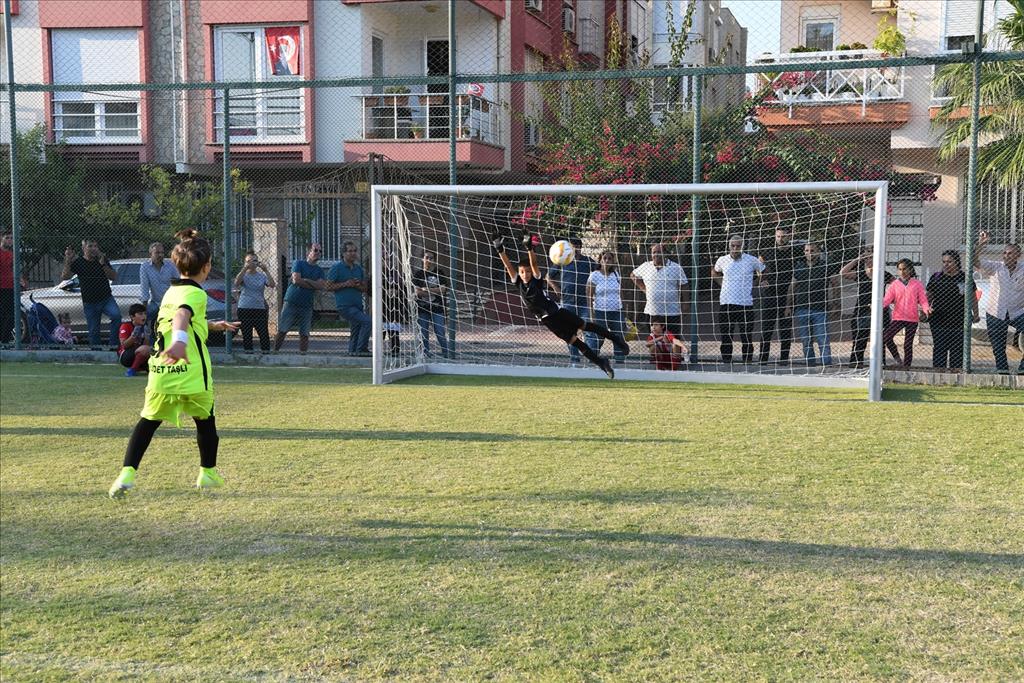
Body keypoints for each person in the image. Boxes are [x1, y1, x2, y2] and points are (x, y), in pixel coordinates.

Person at [108, 229, 239, 499]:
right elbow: (181, 317)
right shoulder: (197, 294)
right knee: (205, 421)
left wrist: (212, 325)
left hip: (161, 371)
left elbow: (181, 318)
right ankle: (208, 473)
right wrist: (180, 342)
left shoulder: (170, 292)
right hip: (190, 372)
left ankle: (126, 474)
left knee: (147, 422)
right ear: (207, 267)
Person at [493, 230, 627, 379]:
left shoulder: (536, 281)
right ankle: (602, 363)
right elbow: (508, 266)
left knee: (585, 326)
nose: (525, 274)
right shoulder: (518, 282)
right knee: (575, 342)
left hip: (557, 312)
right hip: (548, 321)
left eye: (528, 272)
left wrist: (529, 248)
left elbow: (534, 263)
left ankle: (616, 339)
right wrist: (500, 249)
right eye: (523, 272)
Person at [974, 231, 1024, 374]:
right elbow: (974, 261)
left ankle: (1022, 368)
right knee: (998, 346)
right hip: (995, 312)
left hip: (1018, 312)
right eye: (1004, 253)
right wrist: (981, 244)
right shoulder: (995, 267)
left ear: (1018, 255)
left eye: (1010, 253)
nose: (1006, 256)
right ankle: (1002, 371)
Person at [712, 234, 765, 364]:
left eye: (738, 246)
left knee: (746, 336)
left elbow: (764, 271)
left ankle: (747, 362)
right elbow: (714, 272)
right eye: (733, 245)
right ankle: (726, 362)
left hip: (745, 304)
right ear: (729, 246)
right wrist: (721, 282)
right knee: (726, 336)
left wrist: (756, 283)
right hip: (726, 303)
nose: (735, 248)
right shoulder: (722, 260)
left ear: (743, 247)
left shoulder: (751, 260)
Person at [839, 248, 895, 369]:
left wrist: (890, 299)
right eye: (867, 258)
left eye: (872, 257)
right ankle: (856, 363)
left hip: (880, 311)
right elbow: (843, 272)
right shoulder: (860, 273)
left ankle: (879, 364)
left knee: (880, 340)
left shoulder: (883, 274)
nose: (869, 260)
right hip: (862, 310)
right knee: (860, 339)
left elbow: (897, 286)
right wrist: (857, 259)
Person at [547, 237, 597, 365]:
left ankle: (592, 359)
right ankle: (575, 360)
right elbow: (548, 276)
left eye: (577, 247)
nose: (575, 249)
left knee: (589, 332)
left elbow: (600, 272)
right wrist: (556, 288)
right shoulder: (563, 260)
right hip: (568, 302)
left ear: (580, 248)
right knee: (570, 333)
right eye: (573, 247)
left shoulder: (588, 261)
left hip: (584, 302)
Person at [61, 238, 118, 348]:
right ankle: (96, 353)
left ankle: (113, 346)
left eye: (95, 246)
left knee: (116, 316)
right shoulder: (78, 262)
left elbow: (114, 277)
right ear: (83, 248)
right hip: (90, 302)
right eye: (90, 246)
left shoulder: (102, 260)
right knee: (93, 330)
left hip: (106, 299)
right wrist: (68, 260)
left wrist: (103, 264)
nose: (93, 249)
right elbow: (65, 277)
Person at [926, 250, 978, 370]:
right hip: (939, 320)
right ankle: (939, 373)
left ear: (957, 262)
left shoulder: (965, 278)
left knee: (957, 350)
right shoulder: (937, 277)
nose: (946, 264)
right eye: (944, 262)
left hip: (959, 321)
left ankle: (956, 374)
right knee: (940, 348)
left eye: (949, 262)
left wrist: (976, 314)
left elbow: (973, 298)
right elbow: (928, 296)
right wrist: (924, 311)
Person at [757, 225, 801, 363]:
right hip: (769, 295)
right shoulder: (768, 252)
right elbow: (758, 265)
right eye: (778, 236)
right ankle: (763, 359)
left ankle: (784, 360)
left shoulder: (796, 252)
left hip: (787, 296)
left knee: (785, 330)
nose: (780, 239)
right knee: (766, 329)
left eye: (783, 236)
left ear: (789, 236)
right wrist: (762, 279)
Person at [273, 243, 326, 354]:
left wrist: (306, 280)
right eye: (315, 250)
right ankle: (274, 352)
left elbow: (321, 286)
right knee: (283, 329)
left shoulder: (320, 271)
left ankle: (303, 356)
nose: (318, 253)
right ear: (308, 252)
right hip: (291, 302)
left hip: (307, 304)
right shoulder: (298, 263)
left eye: (320, 251)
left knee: (304, 333)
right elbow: (296, 280)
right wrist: (313, 284)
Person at [789, 241, 834, 366]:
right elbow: (792, 286)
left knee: (823, 339)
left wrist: (836, 303)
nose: (810, 253)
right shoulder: (799, 267)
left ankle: (826, 365)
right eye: (807, 250)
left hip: (820, 309)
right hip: (802, 309)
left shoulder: (825, 266)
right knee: (806, 340)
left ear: (818, 252)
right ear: (804, 252)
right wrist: (788, 305)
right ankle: (810, 364)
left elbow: (835, 283)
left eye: (813, 250)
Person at [630, 242, 689, 337]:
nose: (656, 254)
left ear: (665, 253)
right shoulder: (646, 266)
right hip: (652, 312)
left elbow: (684, 285)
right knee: (655, 340)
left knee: (673, 339)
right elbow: (633, 275)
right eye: (654, 252)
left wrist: (686, 303)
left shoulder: (676, 268)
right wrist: (644, 289)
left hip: (672, 312)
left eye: (659, 252)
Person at [882, 258, 932, 368]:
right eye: (900, 269)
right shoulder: (894, 284)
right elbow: (887, 299)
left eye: (904, 269)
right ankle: (897, 360)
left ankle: (906, 367)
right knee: (885, 337)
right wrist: (878, 306)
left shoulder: (917, 284)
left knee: (907, 344)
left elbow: (923, 300)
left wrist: (926, 309)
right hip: (898, 318)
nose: (902, 272)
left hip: (912, 319)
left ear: (910, 269)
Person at [326, 241, 371, 356]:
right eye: (350, 251)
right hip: (345, 306)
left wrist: (357, 285)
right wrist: (345, 284)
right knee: (368, 321)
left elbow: (364, 288)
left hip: (357, 305)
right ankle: (362, 349)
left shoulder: (358, 269)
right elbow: (328, 286)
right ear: (343, 253)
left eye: (355, 251)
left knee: (356, 328)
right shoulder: (337, 268)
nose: (353, 253)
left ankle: (352, 353)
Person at [586, 250, 629, 365]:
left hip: (616, 311)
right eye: (604, 258)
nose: (607, 260)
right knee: (598, 337)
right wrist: (591, 314)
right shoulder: (594, 275)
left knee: (618, 336)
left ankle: (619, 360)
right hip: (600, 312)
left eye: (610, 258)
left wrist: (624, 311)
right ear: (600, 260)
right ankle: (593, 358)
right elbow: (589, 296)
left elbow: (621, 293)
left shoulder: (616, 274)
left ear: (613, 261)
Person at [412, 250, 451, 358]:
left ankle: (446, 353)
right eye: (426, 257)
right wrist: (434, 290)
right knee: (423, 332)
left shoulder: (439, 273)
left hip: (437, 307)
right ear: (422, 259)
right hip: (422, 308)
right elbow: (418, 292)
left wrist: (427, 290)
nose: (428, 260)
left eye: (431, 258)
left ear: (435, 260)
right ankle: (426, 353)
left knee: (440, 331)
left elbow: (443, 289)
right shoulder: (418, 274)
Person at [234, 251, 276, 353]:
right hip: (245, 309)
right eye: (249, 261)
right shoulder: (244, 275)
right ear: (245, 262)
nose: (253, 263)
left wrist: (266, 270)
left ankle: (265, 354)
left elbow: (272, 284)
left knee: (263, 334)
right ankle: (249, 355)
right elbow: (236, 283)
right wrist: (245, 268)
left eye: (255, 260)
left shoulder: (261, 276)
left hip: (259, 309)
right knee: (247, 335)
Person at [139, 242, 178, 333]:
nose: (160, 255)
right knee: (140, 318)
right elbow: (144, 288)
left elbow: (179, 283)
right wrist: (144, 310)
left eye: (162, 252)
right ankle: (144, 338)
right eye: (157, 253)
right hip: (156, 303)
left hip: (171, 302)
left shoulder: (171, 265)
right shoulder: (145, 267)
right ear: (150, 254)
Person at [1, 232, 29, 344]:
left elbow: (15, 270)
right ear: (2, 239)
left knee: (12, 315)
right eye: (7, 238)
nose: (9, 240)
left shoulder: (12, 254)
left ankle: (5, 340)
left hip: (10, 287)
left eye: (11, 238)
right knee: (3, 314)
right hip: (1, 287)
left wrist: (21, 280)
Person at [117, 303, 152, 377]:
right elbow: (124, 345)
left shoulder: (145, 327)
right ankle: (132, 370)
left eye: (145, 314)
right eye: (140, 314)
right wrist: (133, 336)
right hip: (126, 355)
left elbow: (146, 346)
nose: (144, 316)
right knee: (145, 349)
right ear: (132, 317)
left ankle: (138, 367)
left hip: (140, 354)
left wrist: (147, 337)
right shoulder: (125, 326)